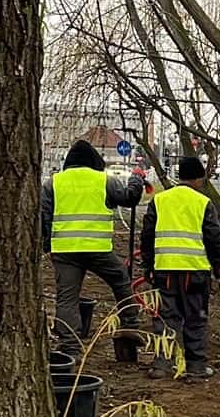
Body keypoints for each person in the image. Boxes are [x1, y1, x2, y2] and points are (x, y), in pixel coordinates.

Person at [41, 139, 145, 355]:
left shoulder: (53, 183)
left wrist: (45, 245)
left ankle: (69, 345)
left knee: (67, 298)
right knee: (120, 280)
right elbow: (130, 198)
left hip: (64, 250)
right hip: (97, 248)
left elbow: (44, 217)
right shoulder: (104, 180)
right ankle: (130, 324)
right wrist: (136, 179)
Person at [140, 156, 220, 379]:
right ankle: (195, 366)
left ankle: (161, 365)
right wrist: (218, 267)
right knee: (195, 317)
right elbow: (213, 238)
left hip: (164, 269)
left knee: (165, 317)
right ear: (198, 178)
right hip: (195, 271)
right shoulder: (203, 202)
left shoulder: (159, 200)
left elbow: (147, 236)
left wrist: (147, 265)